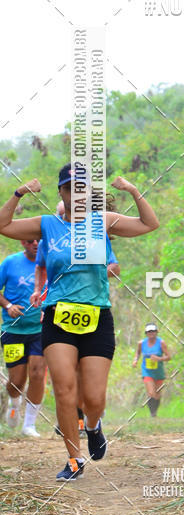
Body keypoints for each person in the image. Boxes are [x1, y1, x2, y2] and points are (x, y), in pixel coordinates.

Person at [0, 166, 159, 481]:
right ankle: (74, 459)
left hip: (97, 316)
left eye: (83, 188)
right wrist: (19, 193)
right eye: (70, 188)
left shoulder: (103, 222)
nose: (77, 194)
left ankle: (93, 425)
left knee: (94, 399)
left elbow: (149, 224)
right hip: (58, 316)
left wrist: (132, 191)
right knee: (64, 389)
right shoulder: (47, 225)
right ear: (61, 192)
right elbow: (3, 224)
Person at [38, 199, 121, 439]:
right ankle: (73, 426)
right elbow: (42, 270)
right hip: (57, 311)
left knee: (86, 378)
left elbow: (114, 266)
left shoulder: (96, 237)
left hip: (93, 310)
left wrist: (92, 273)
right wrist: (40, 294)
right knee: (65, 378)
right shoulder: (49, 238)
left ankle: (91, 420)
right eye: (63, 215)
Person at [0, 237, 45, 437]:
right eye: (29, 241)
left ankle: (29, 425)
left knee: (37, 374)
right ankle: (14, 402)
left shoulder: (49, 262)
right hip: (13, 330)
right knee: (17, 381)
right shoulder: (10, 263)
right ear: (22, 243)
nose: (35, 244)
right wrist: (8, 306)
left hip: (41, 330)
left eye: (38, 240)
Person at [133, 323, 171, 416]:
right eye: (149, 331)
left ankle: (155, 412)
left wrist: (159, 359)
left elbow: (169, 357)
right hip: (147, 371)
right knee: (151, 392)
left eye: (153, 331)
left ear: (156, 332)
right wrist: (135, 361)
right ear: (146, 333)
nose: (151, 333)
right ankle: (152, 413)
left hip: (159, 371)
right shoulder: (141, 343)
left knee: (157, 394)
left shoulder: (161, 343)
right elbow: (138, 353)